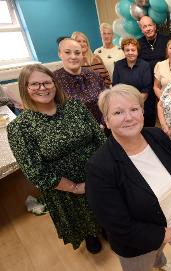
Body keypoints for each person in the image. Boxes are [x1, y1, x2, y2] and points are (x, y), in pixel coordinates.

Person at [85, 84, 171, 271]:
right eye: (118, 113)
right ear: (107, 121)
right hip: (136, 247)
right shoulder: (99, 167)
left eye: (134, 109)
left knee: (158, 253)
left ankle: (160, 261)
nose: (128, 118)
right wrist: (166, 235)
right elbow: (119, 226)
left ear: (142, 112)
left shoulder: (157, 136)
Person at [7, 64, 106, 253]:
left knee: (108, 209)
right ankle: (90, 234)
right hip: (66, 189)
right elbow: (35, 172)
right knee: (84, 219)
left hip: (98, 176)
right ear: (25, 88)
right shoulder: (20, 128)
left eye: (47, 82)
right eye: (34, 84)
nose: (42, 88)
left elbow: (100, 138)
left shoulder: (75, 106)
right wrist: (75, 187)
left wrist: (105, 172)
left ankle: (107, 227)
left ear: (55, 84)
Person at [54, 38, 105, 124]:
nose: (73, 57)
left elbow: (106, 102)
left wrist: (103, 123)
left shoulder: (95, 76)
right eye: (67, 52)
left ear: (82, 54)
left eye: (77, 53)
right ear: (60, 54)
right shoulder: (53, 80)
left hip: (102, 129)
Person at [113, 38, 154, 127]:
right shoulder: (118, 65)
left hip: (143, 106)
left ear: (137, 51)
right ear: (123, 51)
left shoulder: (145, 65)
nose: (130, 52)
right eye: (127, 50)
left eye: (133, 50)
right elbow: (115, 87)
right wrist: (126, 107)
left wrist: (134, 107)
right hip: (123, 106)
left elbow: (146, 89)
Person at [138, 15, 170, 126]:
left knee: (167, 111)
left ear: (155, 26)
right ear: (141, 29)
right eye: (144, 26)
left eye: (150, 25)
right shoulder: (138, 43)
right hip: (146, 84)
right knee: (149, 114)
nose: (148, 29)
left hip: (164, 83)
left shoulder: (166, 40)